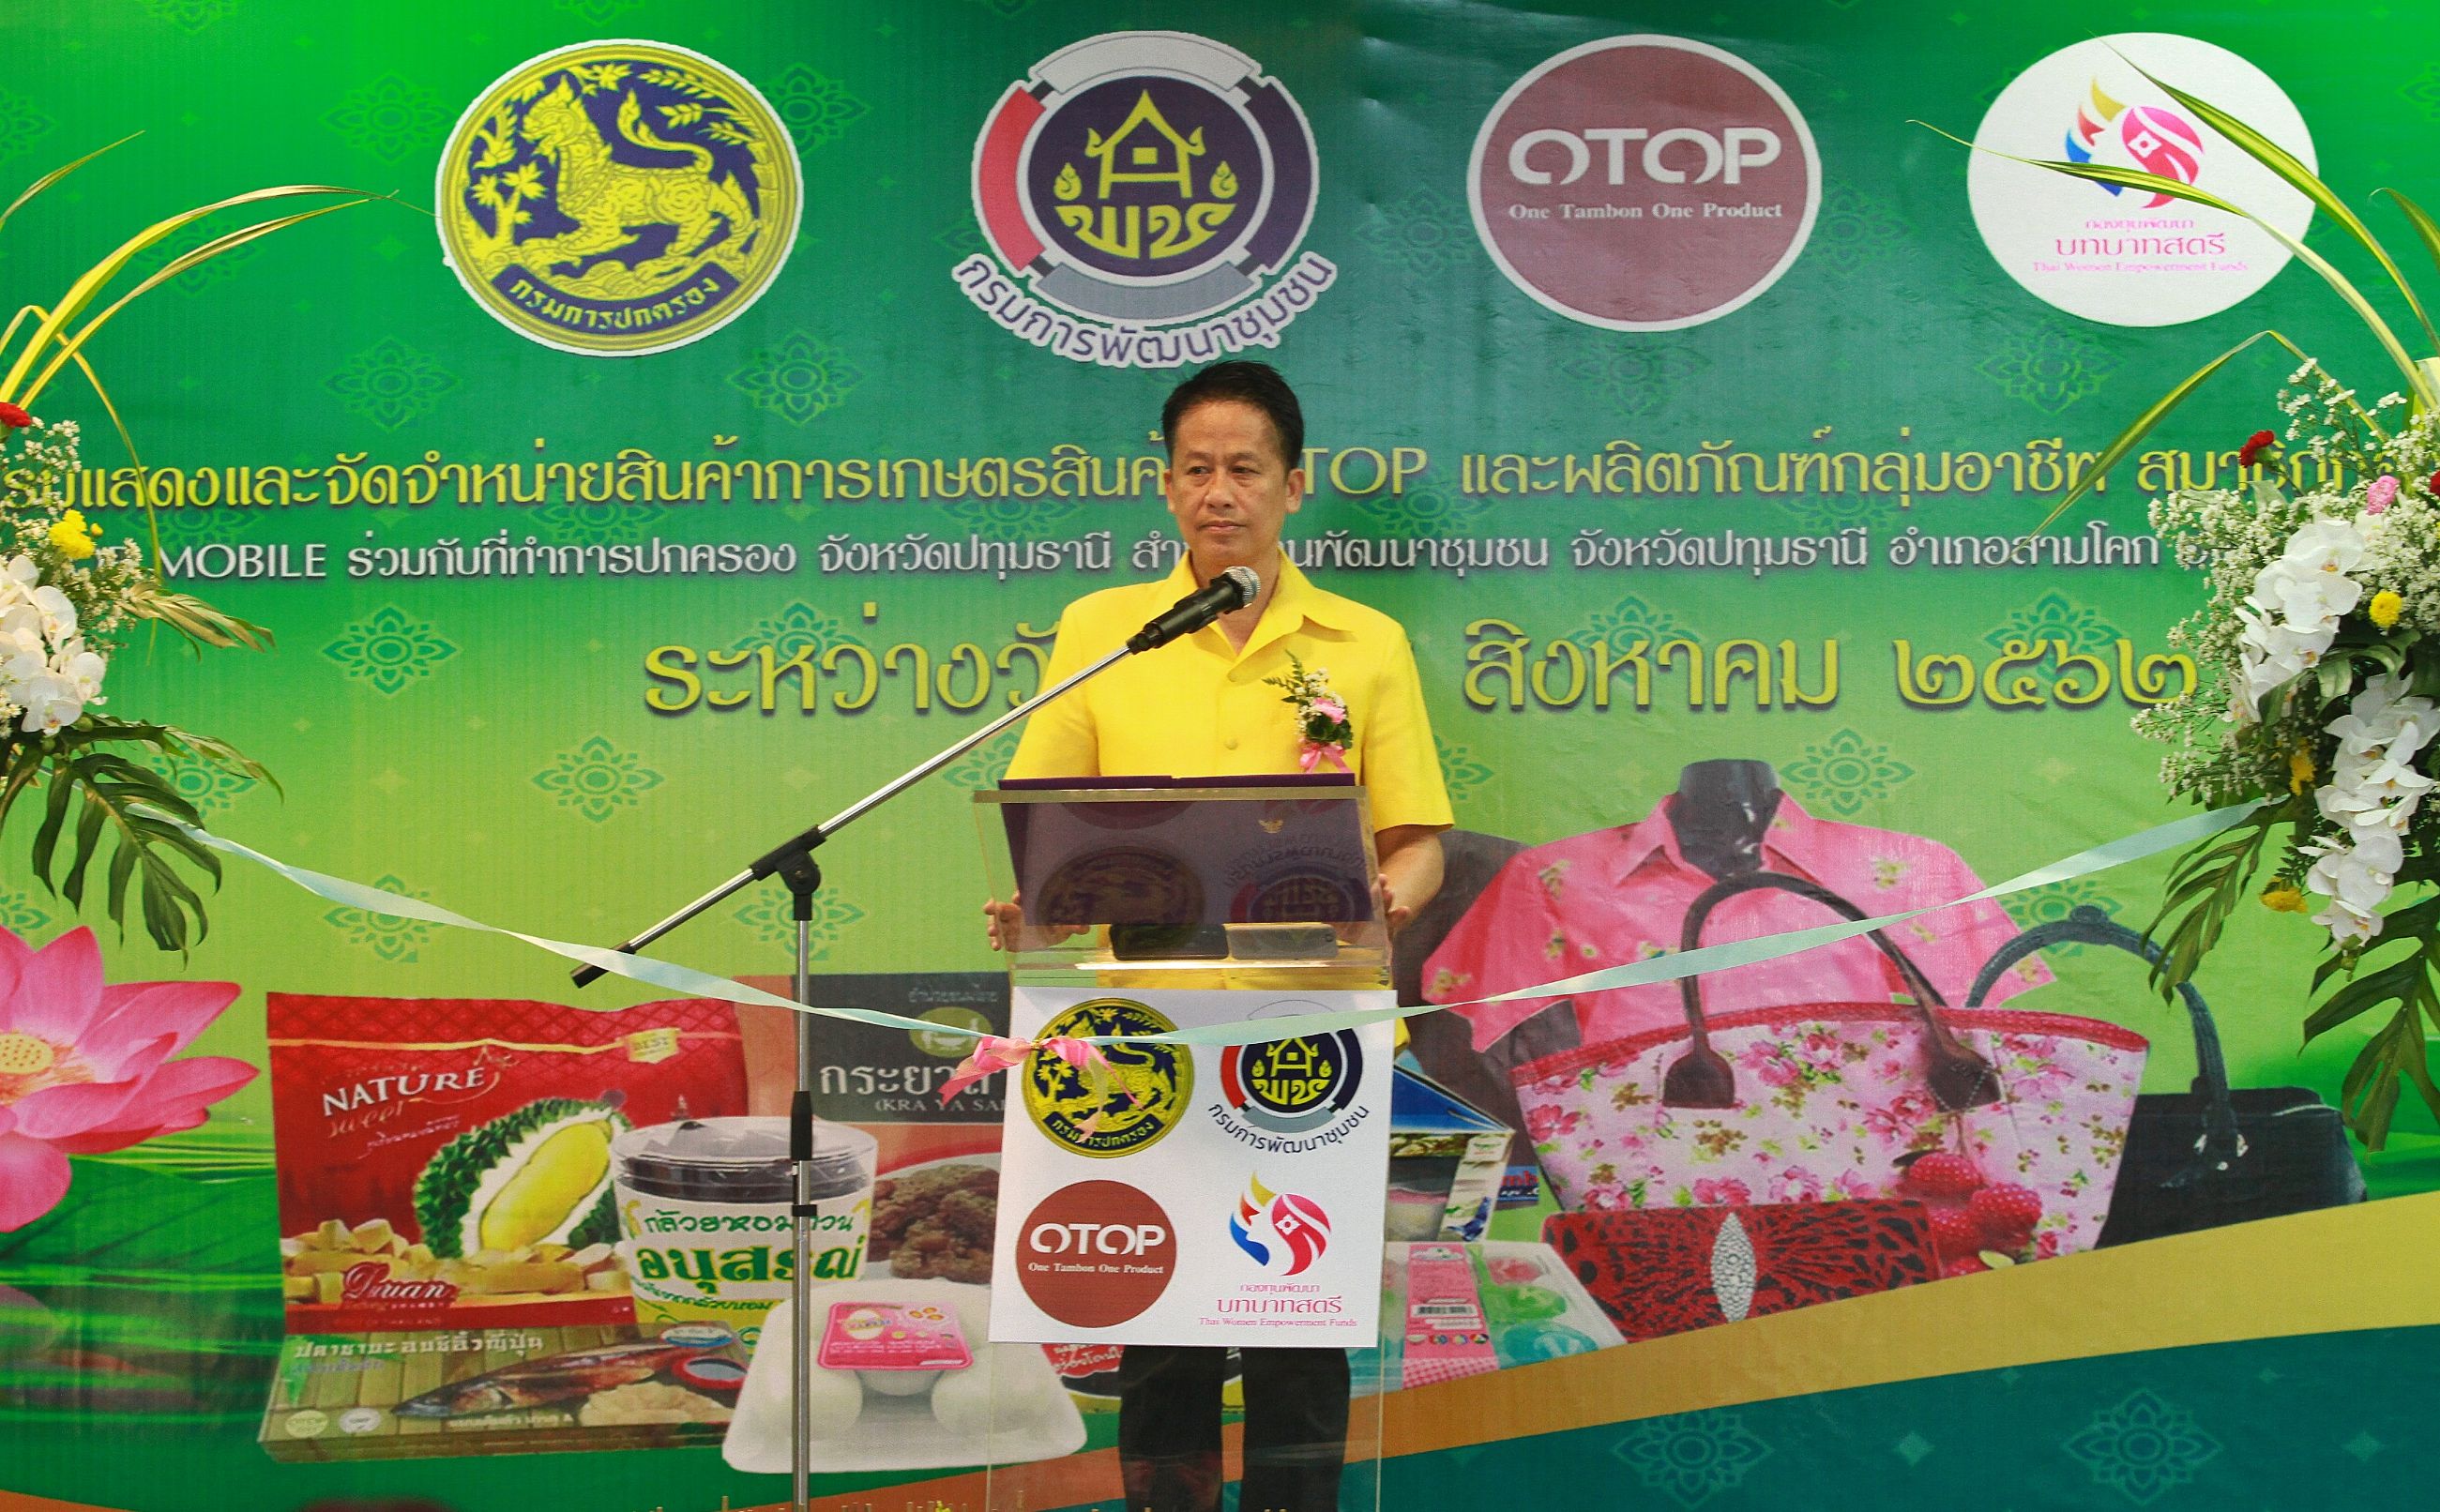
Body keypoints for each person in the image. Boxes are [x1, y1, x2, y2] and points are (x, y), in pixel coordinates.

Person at [984, 360, 1451, 1512]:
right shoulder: (1105, 631)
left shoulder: (1365, 642)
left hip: (1313, 1031)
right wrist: (1038, 900)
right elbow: (1045, 822)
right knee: (1163, 1330)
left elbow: (1418, 842)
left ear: (1294, 484)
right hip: (1146, 1032)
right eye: (1195, 469)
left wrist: (1387, 898)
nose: (1218, 491)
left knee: (1300, 1337)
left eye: (1245, 468)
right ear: (1166, 486)